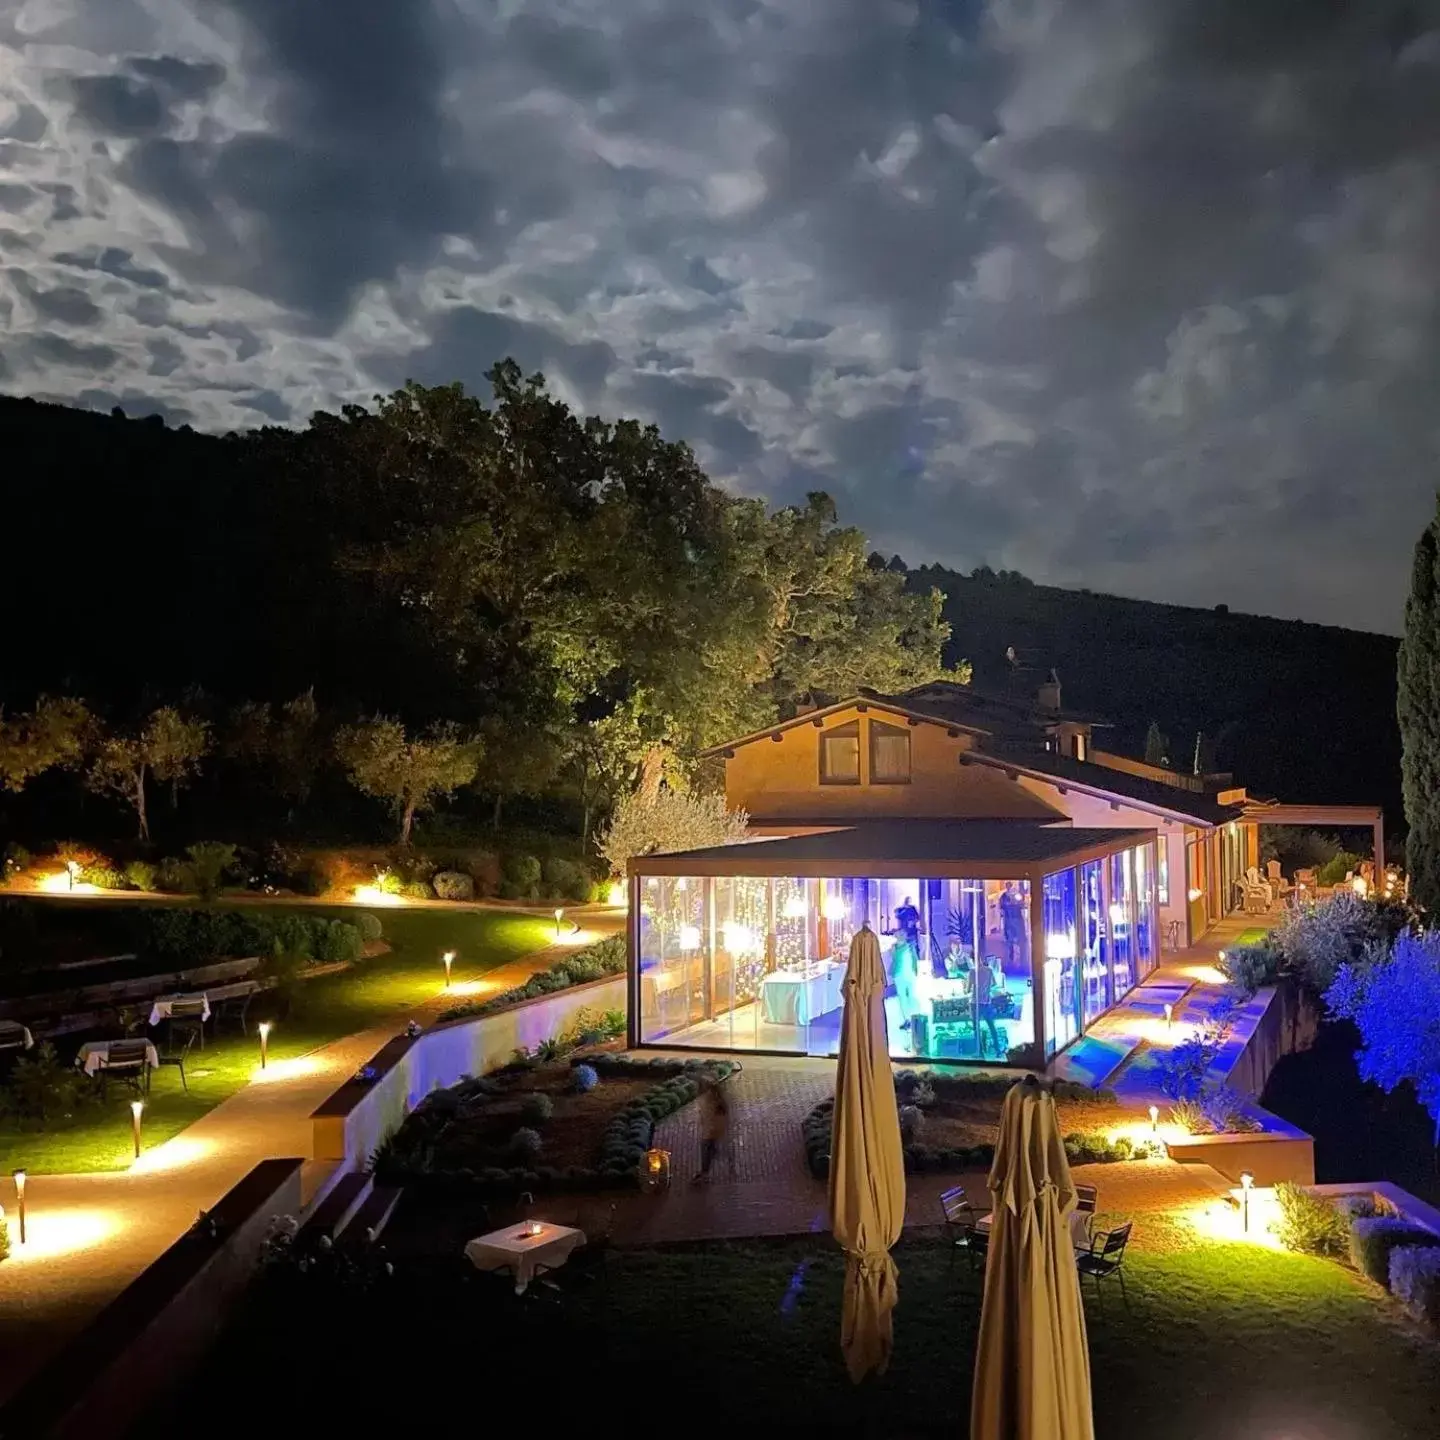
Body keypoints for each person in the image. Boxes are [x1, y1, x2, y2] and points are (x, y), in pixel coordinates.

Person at [693, 1077, 732, 1182]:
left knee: (706, 1151)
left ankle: (704, 1173)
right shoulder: (712, 1099)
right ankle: (706, 1170)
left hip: (710, 1131)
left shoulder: (712, 1101)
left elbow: (713, 1117)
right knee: (709, 1150)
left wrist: (711, 1129)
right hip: (710, 1131)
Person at [974, 953, 1002, 1057]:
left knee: (976, 1028)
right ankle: (997, 1049)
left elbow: (968, 989)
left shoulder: (973, 971)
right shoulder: (989, 970)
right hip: (987, 1001)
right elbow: (994, 984)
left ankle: (980, 1052)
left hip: (976, 1003)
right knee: (991, 1026)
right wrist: (987, 988)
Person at [999, 883, 1026, 972]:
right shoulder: (1003, 896)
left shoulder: (1017, 895)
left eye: (1009, 886)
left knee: (1020, 939)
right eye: (1007, 886)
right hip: (1009, 919)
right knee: (1010, 939)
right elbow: (1001, 907)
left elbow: (1021, 904)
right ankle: (1011, 957)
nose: (1009, 888)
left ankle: (1022, 958)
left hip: (1017, 919)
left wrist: (1015, 900)